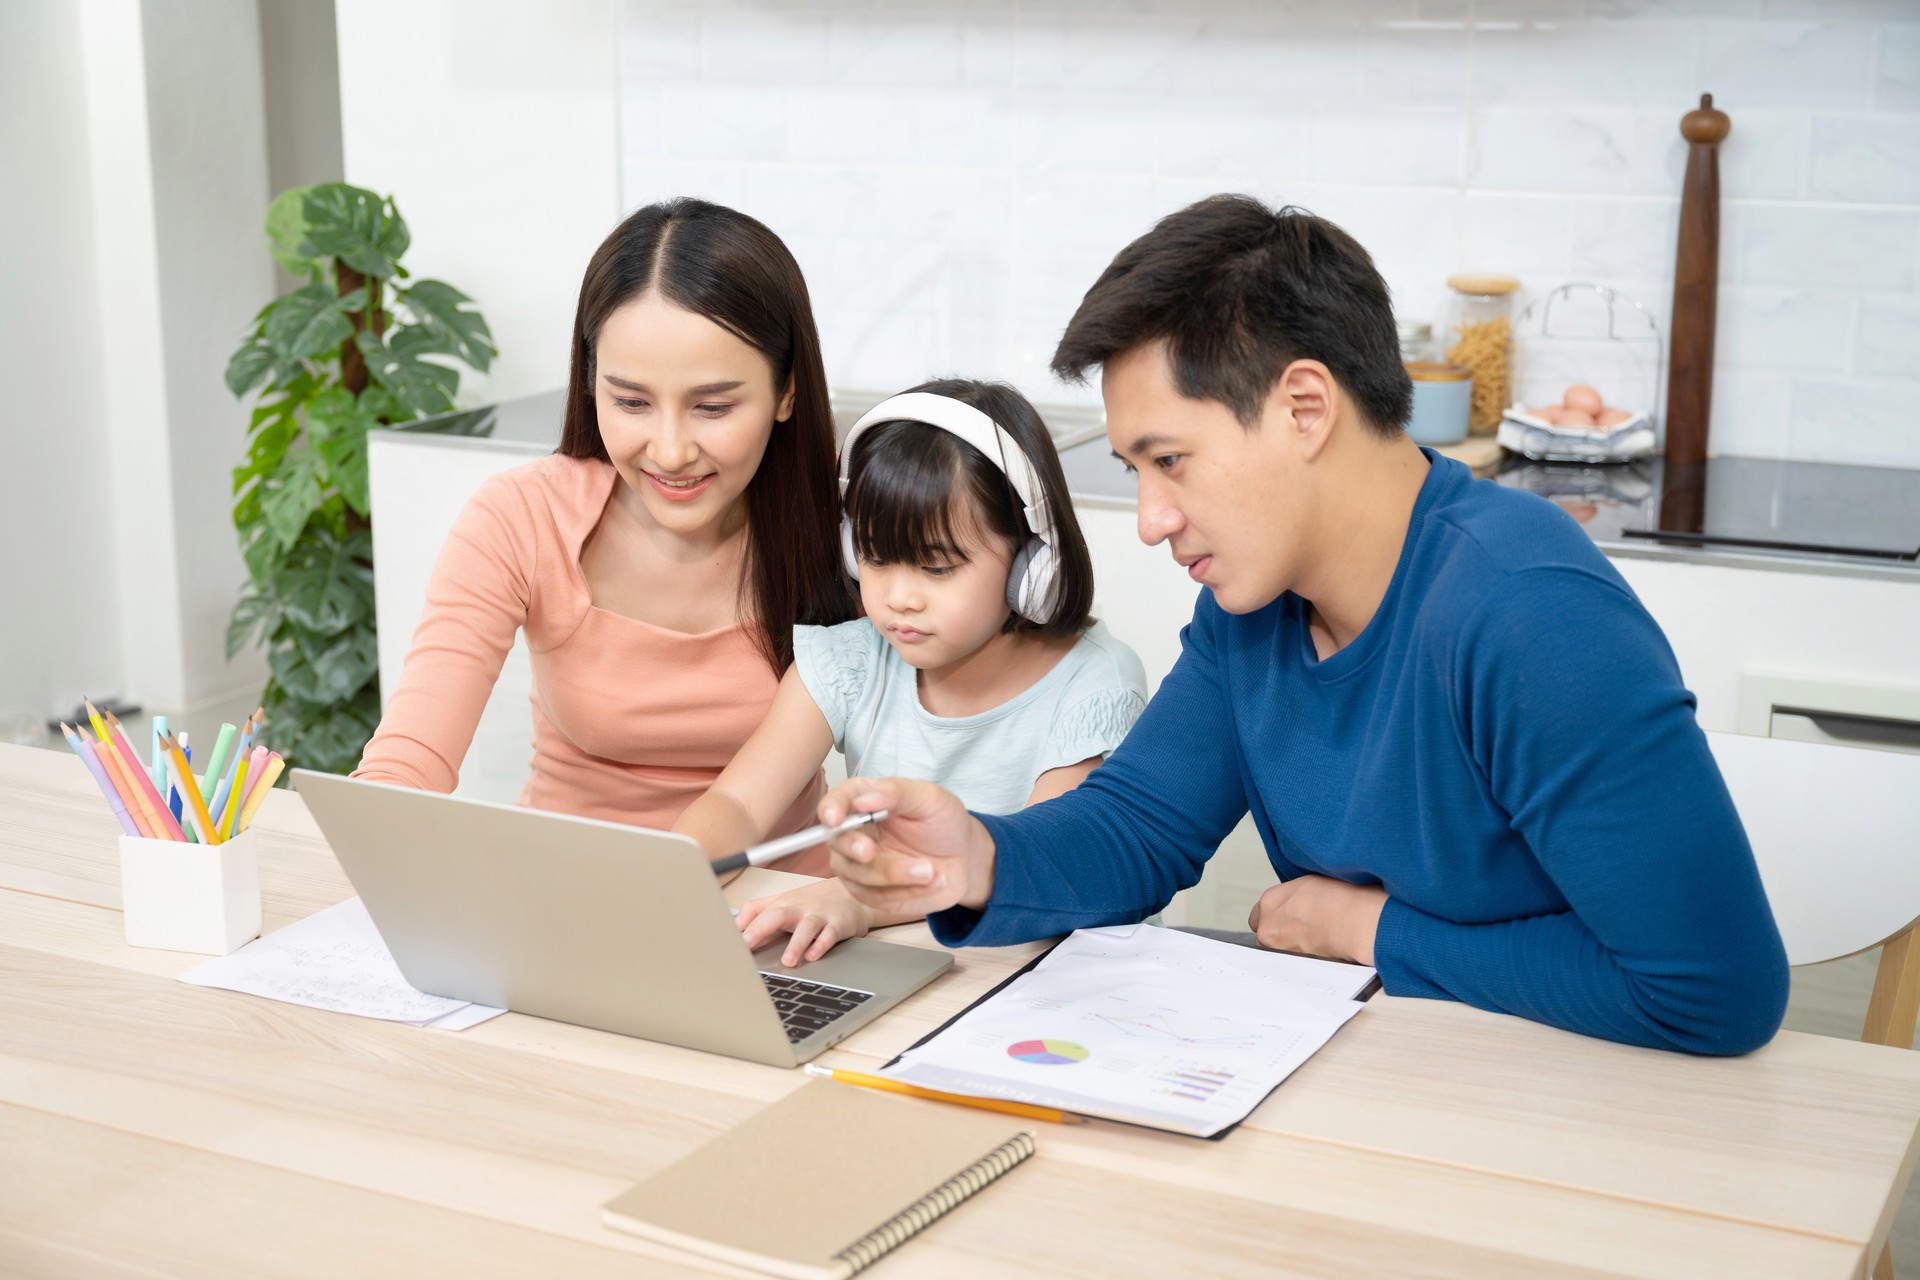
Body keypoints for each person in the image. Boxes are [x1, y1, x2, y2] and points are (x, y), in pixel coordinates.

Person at [816, 194, 1791, 1056]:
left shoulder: (1531, 613)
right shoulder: (1253, 610)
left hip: (1571, 1107)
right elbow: (1141, 825)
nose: (1151, 518)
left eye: (1172, 461)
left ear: (1305, 408)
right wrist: (979, 856)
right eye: (1135, 472)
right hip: (1390, 1077)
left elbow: (1711, 988)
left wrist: (1372, 930)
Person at [355, 199, 856, 867]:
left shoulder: (849, 529)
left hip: (789, 920)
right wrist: (376, 845)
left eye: (713, 406)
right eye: (630, 402)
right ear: (590, 383)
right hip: (566, 901)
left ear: (786, 392)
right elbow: (411, 757)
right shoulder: (521, 518)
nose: (671, 450)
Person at [674, 378, 1148, 965]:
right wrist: (674, 871)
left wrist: (862, 902)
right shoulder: (853, 658)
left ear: (1033, 564)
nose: (898, 597)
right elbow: (738, 806)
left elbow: (1037, 863)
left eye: (936, 566)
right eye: (874, 556)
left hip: (1024, 970)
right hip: (887, 955)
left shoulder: (1091, 686)